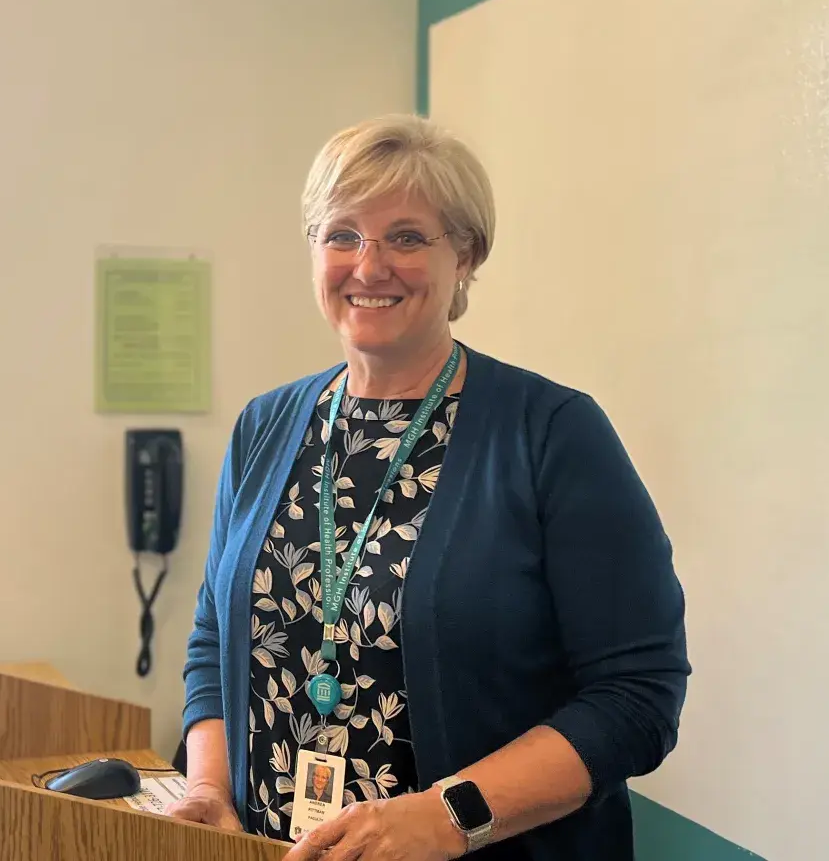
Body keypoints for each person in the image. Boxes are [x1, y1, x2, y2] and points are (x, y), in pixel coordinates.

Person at [168, 114, 689, 860]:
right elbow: (214, 639)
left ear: (466, 256)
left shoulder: (551, 433)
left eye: (407, 238)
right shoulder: (267, 425)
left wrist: (448, 817)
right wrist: (207, 790)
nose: (368, 265)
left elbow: (638, 697)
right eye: (341, 234)